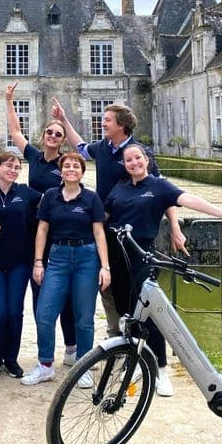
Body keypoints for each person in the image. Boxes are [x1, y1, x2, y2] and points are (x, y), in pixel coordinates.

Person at [105, 142, 222, 397]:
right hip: (117, 258)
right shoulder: (119, 187)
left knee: (150, 315)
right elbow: (103, 217)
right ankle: (137, 361)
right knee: (128, 313)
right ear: (124, 165)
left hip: (142, 257)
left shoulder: (158, 186)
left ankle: (161, 370)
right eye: (128, 160)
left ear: (146, 159)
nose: (134, 163)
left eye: (137, 158)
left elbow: (188, 199)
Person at [52, 99, 183, 338]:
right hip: (107, 227)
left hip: (136, 233)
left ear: (121, 125)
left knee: (139, 288)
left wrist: (175, 226)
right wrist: (63, 119)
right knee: (109, 282)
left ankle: (143, 339)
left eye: (108, 119)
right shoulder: (103, 147)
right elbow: (80, 146)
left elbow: (165, 192)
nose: (103, 122)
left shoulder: (139, 154)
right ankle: (118, 332)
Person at [22, 152, 110, 388]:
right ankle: (45, 365)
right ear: (61, 171)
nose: (71, 169)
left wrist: (105, 267)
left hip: (86, 258)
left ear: (82, 172)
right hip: (58, 257)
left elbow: (99, 232)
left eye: (76, 166)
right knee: (45, 313)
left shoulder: (91, 198)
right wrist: (38, 262)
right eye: (67, 165)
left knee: (83, 317)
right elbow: (42, 230)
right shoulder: (51, 196)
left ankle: (83, 366)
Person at [5, 81, 78, 366]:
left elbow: (81, 151)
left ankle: (71, 348)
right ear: (43, 135)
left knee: (66, 296)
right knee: (39, 297)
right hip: (33, 232)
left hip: (57, 234)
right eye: (49, 131)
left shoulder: (65, 164)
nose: (52, 135)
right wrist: (9, 100)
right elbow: (14, 132)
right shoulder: (34, 157)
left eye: (57, 134)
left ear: (61, 140)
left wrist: (64, 119)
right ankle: (44, 354)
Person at [0, 152, 41, 378]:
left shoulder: (24, 192)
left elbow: (52, 199)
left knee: (15, 312)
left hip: (19, 262)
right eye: (8, 165)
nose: (13, 170)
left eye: (17, 167)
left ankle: (11, 359)